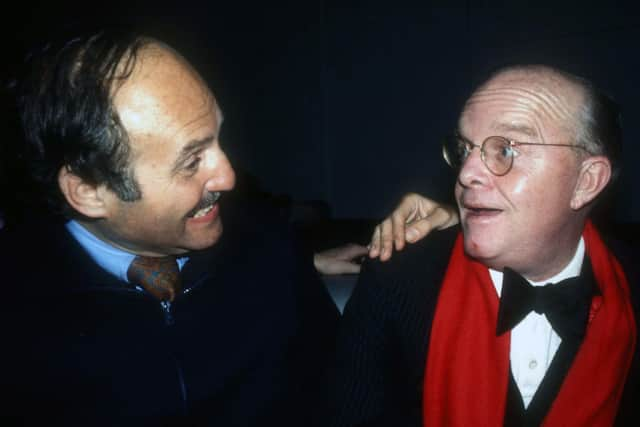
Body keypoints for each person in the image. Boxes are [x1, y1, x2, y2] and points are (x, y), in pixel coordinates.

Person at [0, 28, 402, 425]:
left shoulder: (270, 251)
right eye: (191, 161)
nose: (228, 176)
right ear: (88, 191)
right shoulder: (17, 322)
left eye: (218, 137)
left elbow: (349, 390)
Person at [327, 64, 639, 426]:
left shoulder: (633, 294)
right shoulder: (398, 281)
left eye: (505, 150)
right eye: (465, 149)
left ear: (586, 181)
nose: (465, 173)